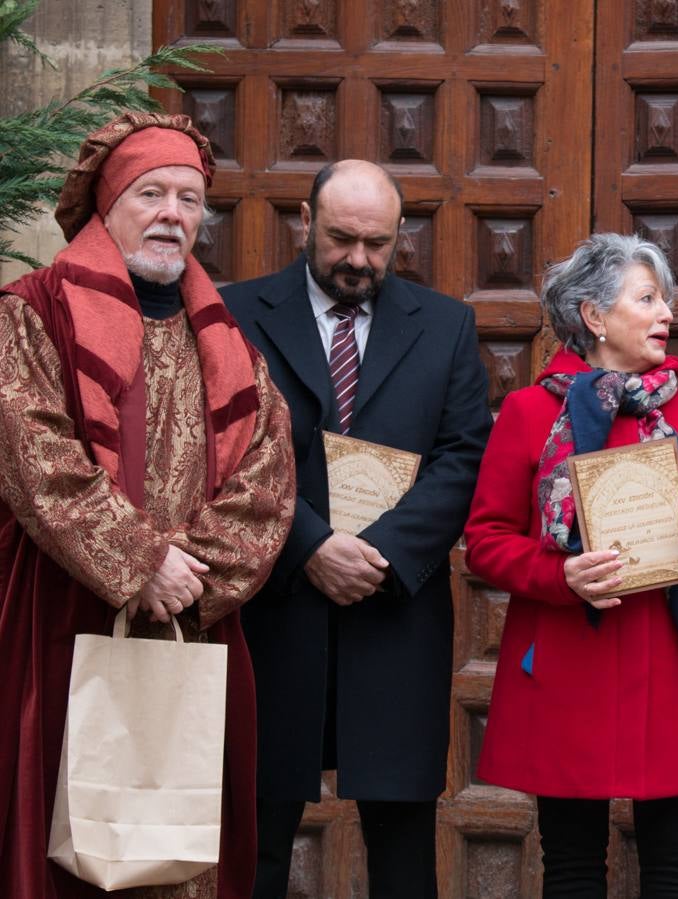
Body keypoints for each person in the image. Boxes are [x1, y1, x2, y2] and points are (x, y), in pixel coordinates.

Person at [0, 112, 296, 898]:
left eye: (191, 199)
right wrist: (138, 560)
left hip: (191, 628)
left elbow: (268, 482)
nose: (173, 213)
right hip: (64, 614)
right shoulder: (32, 314)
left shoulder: (230, 343)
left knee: (187, 848)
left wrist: (189, 580)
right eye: (151, 192)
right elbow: (35, 458)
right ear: (107, 204)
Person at [221, 160, 493, 899]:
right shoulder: (234, 314)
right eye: (342, 238)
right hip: (273, 613)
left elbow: (463, 455)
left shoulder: (445, 324)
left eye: (377, 243)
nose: (358, 260)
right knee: (254, 836)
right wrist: (309, 545)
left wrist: (380, 553)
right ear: (304, 223)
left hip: (393, 613)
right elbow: (222, 450)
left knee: (402, 847)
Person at [463, 233, 678, 897]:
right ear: (594, 317)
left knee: (676, 870)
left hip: (672, 667)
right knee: (571, 872)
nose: (666, 315)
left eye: (666, 301)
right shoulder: (529, 412)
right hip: (567, 662)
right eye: (648, 298)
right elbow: (484, 539)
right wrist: (559, 575)